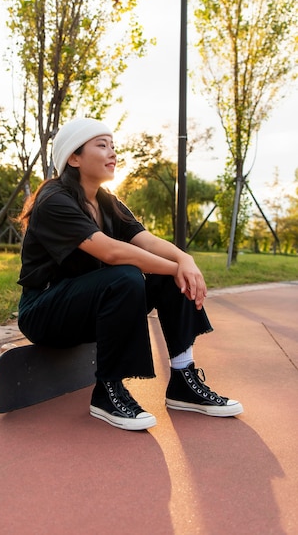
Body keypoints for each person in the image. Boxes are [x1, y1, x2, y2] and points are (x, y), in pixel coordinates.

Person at [17, 118, 243, 431]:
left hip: (90, 309)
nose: (112, 152)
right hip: (45, 311)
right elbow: (112, 252)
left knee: (164, 274)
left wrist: (183, 259)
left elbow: (146, 241)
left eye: (113, 145)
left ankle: (182, 380)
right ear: (74, 157)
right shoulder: (54, 201)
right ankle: (108, 392)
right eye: (101, 145)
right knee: (127, 274)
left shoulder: (107, 201)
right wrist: (178, 267)